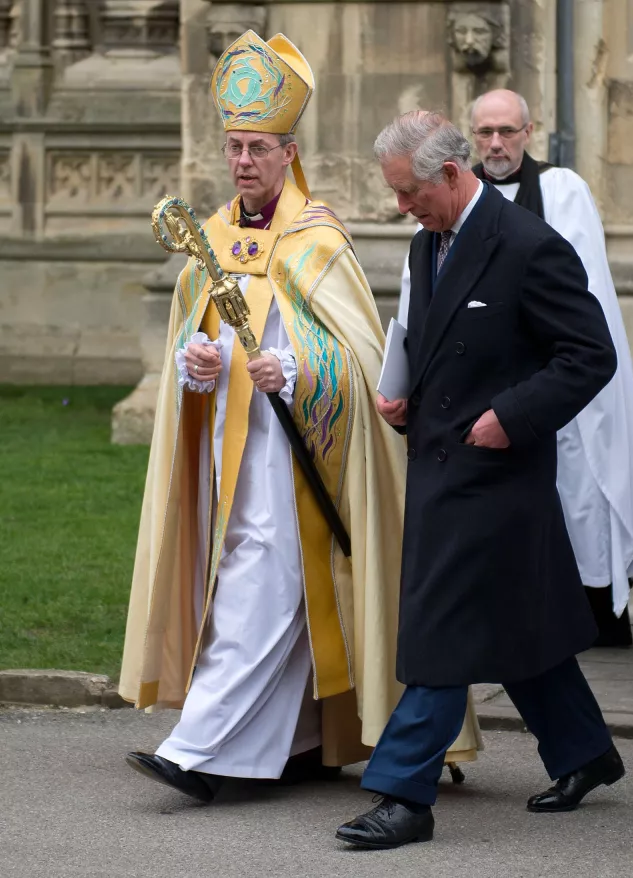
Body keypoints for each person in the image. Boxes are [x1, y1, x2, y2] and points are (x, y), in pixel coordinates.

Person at [118, 31, 480, 803]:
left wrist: (298, 370)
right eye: (234, 147)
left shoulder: (318, 240)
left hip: (297, 457)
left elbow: (361, 357)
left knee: (264, 591)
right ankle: (305, 741)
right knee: (261, 592)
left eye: (259, 148)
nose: (244, 161)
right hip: (227, 461)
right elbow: (195, 332)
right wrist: (196, 363)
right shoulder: (211, 239)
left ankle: (198, 749)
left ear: (289, 154)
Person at [336, 111, 624, 850]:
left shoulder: (529, 245)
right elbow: (432, 347)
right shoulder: (426, 241)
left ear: (450, 174)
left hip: (497, 475)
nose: (402, 206)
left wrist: (511, 416)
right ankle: (585, 752)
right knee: (519, 623)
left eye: (409, 192)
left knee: (442, 629)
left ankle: (404, 795)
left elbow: (590, 355)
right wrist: (405, 399)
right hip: (440, 463)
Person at [465, 87, 633, 646]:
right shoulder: (459, 192)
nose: (496, 143)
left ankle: (591, 615)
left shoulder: (561, 189)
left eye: (507, 131)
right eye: (485, 132)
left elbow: (584, 283)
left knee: (577, 487)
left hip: (555, 370)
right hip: (488, 377)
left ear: (529, 132)